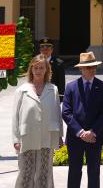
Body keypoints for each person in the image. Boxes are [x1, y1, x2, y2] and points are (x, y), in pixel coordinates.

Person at [12, 55, 63, 188]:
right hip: (27, 136)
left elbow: (57, 112)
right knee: (26, 171)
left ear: (47, 70)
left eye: (42, 67)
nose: (38, 70)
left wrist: (60, 136)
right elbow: (15, 117)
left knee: (44, 172)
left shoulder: (53, 89)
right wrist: (15, 139)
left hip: (48, 135)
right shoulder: (22, 90)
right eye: (36, 67)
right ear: (31, 69)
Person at [62, 52, 103, 188]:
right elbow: (66, 112)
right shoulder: (71, 87)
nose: (92, 69)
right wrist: (81, 132)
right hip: (75, 137)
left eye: (94, 66)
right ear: (80, 69)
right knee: (74, 171)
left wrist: (92, 132)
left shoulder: (102, 86)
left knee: (94, 172)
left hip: (95, 136)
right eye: (88, 67)